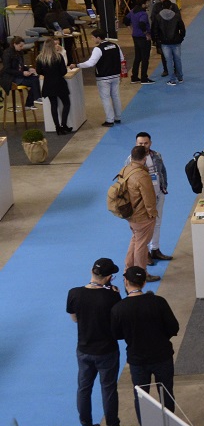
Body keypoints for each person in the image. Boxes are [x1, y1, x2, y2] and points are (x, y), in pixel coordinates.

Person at [67, 257, 129, 426]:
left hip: (84, 349)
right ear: (109, 278)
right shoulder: (112, 296)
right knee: (108, 389)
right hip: (107, 350)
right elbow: (117, 321)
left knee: (84, 388)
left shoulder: (74, 293)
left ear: (92, 271)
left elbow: (74, 319)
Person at [111, 263, 179, 418]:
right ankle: (170, 424)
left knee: (142, 397)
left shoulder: (119, 308)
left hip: (137, 359)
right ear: (144, 283)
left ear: (126, 282)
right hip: (162, 356)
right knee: (167, 393)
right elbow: (173, 327)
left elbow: (116, 334)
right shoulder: (159, 302)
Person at [131, 132, 173, 264]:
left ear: (150, 143)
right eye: (140, 143)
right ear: (136, 144)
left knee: (157, 223)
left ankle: (155, 249)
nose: (143, 146)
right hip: (143, 200)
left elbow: (162, 171)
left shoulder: (157, 155)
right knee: (144, 228)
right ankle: (145, 253)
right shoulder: (131, 160)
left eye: (146, 143)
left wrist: (163, 187)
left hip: (159, 194)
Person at [117, 146, 159, 274]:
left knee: (135, 240)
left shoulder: (125, 170)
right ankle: (140, 273)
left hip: (129, 213)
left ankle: (129, 269)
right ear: (145, 158)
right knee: (141, 245)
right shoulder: (142, 175)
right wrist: (152, 214)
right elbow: (149, 197)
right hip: (142, 216)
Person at [71, 27, 125, 127]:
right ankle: (118, 117)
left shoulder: (98, 49)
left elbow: (91, 63)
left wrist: (77, 65)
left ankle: (110, 120)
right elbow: (121, 59)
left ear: (98, 38)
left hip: (103, 77)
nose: (92, 39)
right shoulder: (115, 45)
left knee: (105, 98)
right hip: (116, 75)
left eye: (93, 37)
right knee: (116, 96)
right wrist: (121, 73)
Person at [33, 36, 71, 135]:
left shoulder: (40, 58)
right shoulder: (58, 56)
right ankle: (64, 124)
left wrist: (47, 74)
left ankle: (57, 127)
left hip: (48, 84)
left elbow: (38, 71)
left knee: (53, 105)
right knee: (66, 103)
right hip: (59, 83)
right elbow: (63, 71)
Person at [152, 0, 187, 85]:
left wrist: (157, 41)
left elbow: (155, 30)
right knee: (177, 60)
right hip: (176, 42)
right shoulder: (176, 16)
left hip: (165, 42)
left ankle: (172, 79)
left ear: (162, 7)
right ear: (171, 6)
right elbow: (182, 29)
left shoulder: (158, 17)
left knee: (169, 61)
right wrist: (180, 38)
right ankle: (180, 77)